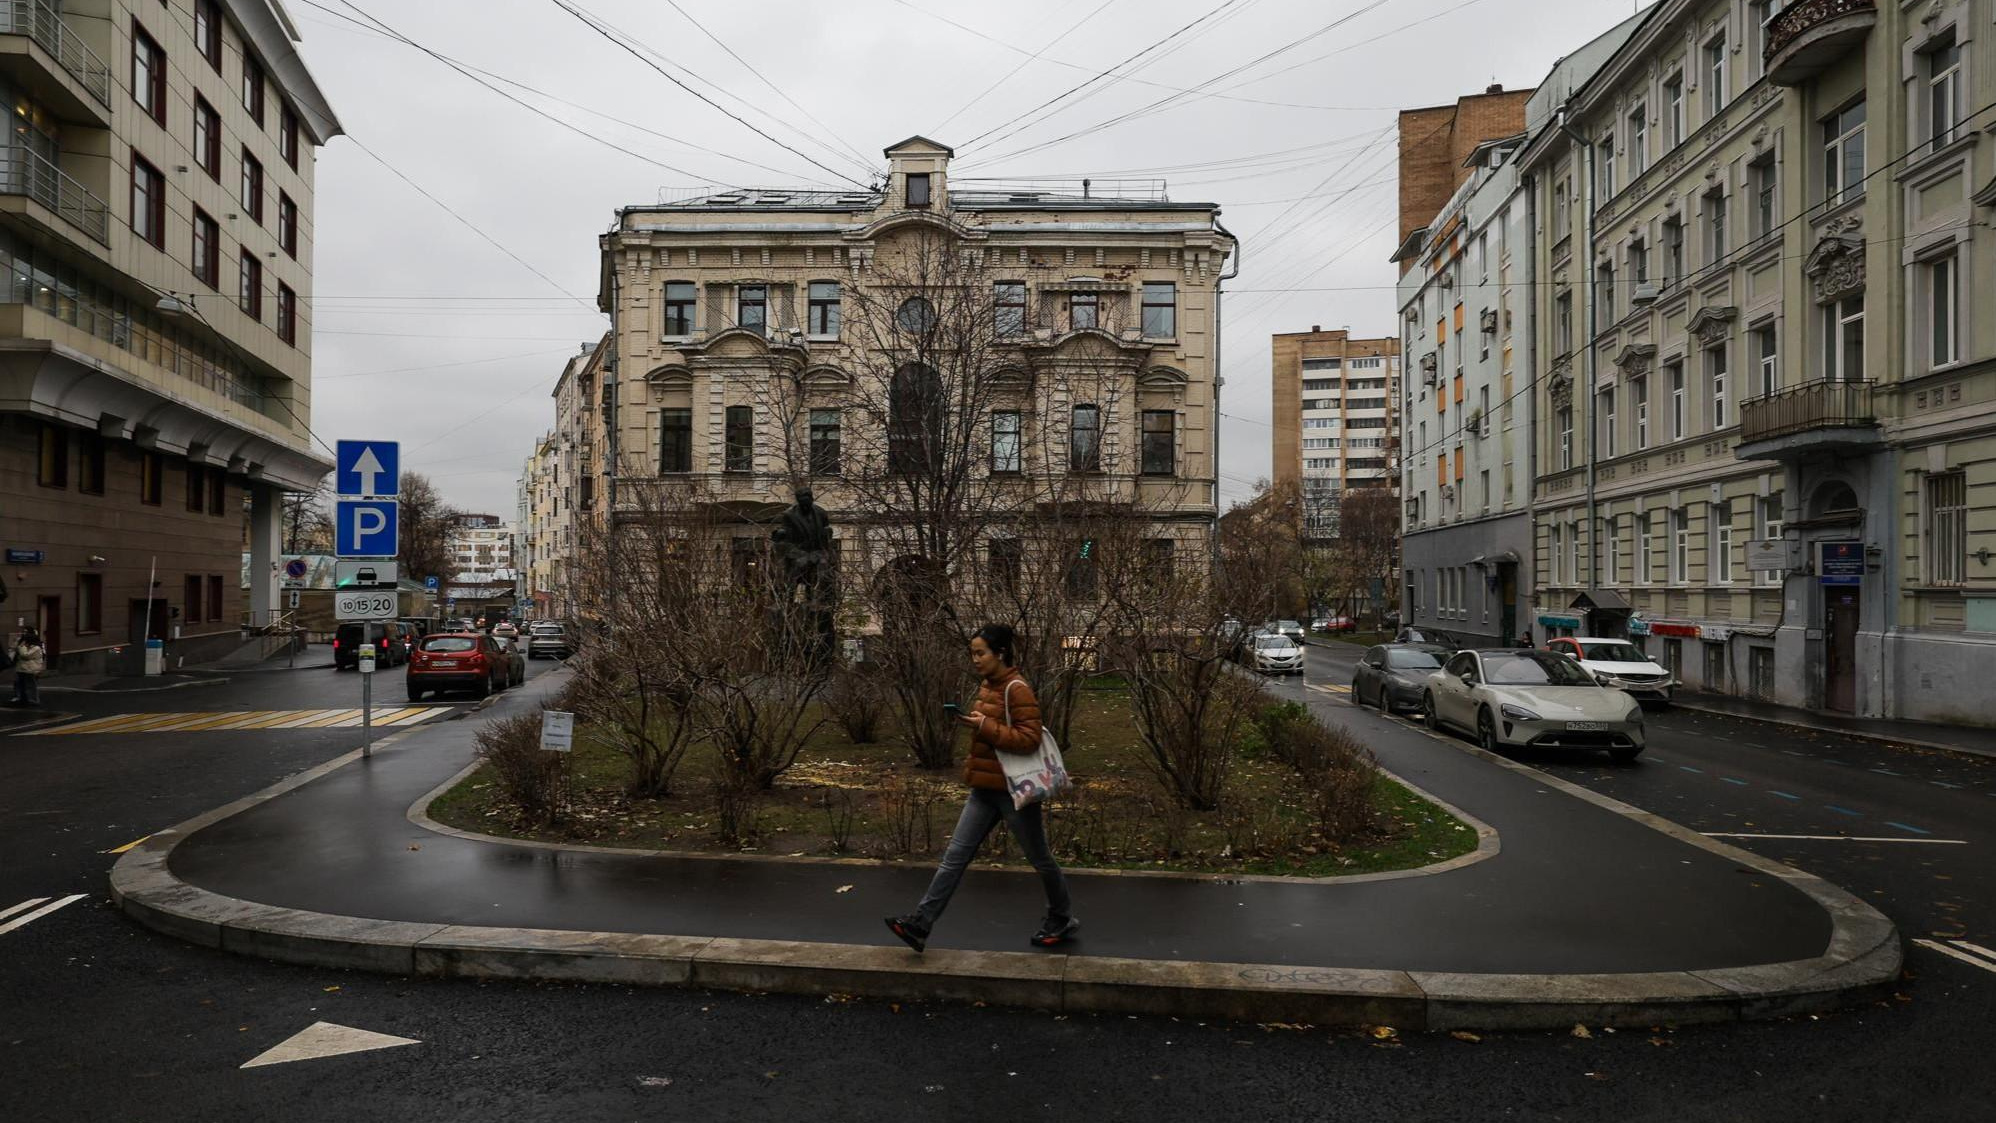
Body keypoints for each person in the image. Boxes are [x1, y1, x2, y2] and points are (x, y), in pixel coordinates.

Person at [885, 624, 1076, 953]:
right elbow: (992, 731)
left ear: (1000, 654)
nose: (974, 659)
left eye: (980, 653)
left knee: (1040, 859)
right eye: (972, 653)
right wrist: (974, 723)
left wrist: (985, 726)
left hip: (1014, 792)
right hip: (984, 789)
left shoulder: (1017, 689)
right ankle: (920, 924)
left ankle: (1061, 916)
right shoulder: (989, 685)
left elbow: (1029, 739)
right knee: (953, 859)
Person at [11, 627, 46, 707]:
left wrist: (21, 647)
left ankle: (33, 700)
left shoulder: (36, 647)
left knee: (31, 684)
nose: (24, 634)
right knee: (20, 683)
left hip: (30, 669)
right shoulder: (26, 645)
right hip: (22, 668)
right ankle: (22, 698)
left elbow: (25, 655)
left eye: (26, 632)